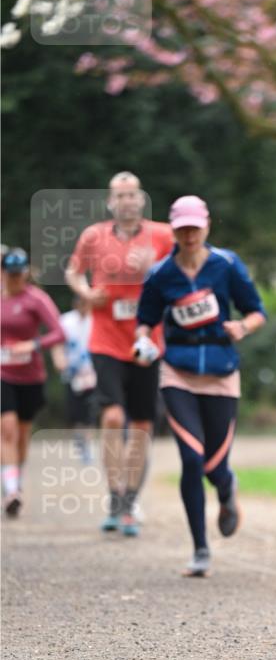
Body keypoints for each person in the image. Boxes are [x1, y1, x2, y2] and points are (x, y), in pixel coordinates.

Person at [135, 195, 266, 576]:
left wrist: (242, 326)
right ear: (174, 230)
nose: (189, 234)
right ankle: (200, 550)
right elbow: (145, 320)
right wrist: (143, 341)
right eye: (182, 228)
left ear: (206, 226)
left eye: (195, 226)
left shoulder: (226, 265)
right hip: (178, 373)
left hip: (222, 373)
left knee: (214, 466)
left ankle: (226, 491)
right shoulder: (160, 274)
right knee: (191, 460)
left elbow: (256, 311)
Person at [65, 171, 173, 535]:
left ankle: (128, 503)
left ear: (141, 199)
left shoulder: (162, 235)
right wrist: (85, 291)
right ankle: (114, 495)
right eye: (120, 195)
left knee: (142, 425)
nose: (127, 200)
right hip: (106, 341)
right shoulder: (94, 235)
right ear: (111, 202)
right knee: (112, 418)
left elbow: (183, 270)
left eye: (132, 194)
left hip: (146, 341)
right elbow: (73, 271)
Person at [1, 247, 65, 516]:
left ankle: (17, 479)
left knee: (23, 434)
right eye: (11, 274)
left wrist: (33, 344)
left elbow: (59, 332)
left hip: (31, 376)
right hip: (3, 374)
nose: (16, 279)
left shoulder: (36, 299)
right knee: (7, 429)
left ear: (26, 272)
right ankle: (12, 490)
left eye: (20, 274)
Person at [59, 296, 97, 462]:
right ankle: (79, 440)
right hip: (72, 374)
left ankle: (87, 445)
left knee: (90, 412)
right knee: (76, 413)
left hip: (92, 374)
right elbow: (58, 344)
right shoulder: (65, 321)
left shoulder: (95, 320)